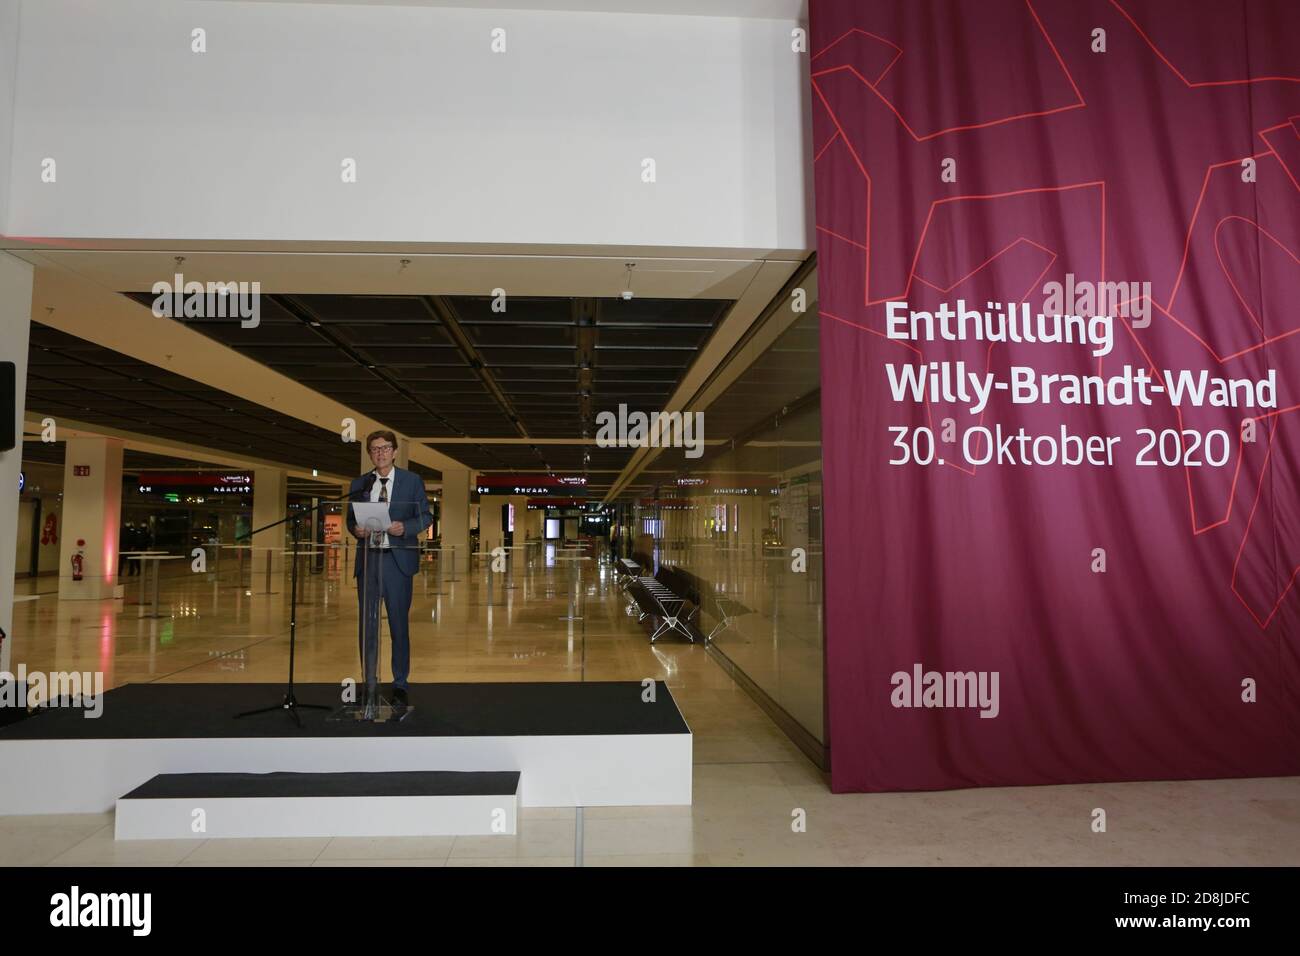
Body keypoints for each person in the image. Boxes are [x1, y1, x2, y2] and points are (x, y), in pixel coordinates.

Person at [345, 430, 433, 708]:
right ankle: (369, 682)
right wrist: (356, 530)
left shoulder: (412, 481)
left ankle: (400, 684)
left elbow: (426, 516)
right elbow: (350, 519)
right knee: (367, 626)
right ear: (369, 454)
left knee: (398, 626)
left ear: (395, 452)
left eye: (385, 448)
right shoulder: (360, 483)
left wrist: (405, 527)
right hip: (369, 561)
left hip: (397, 562)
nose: (380, 453)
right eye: (374, 449)